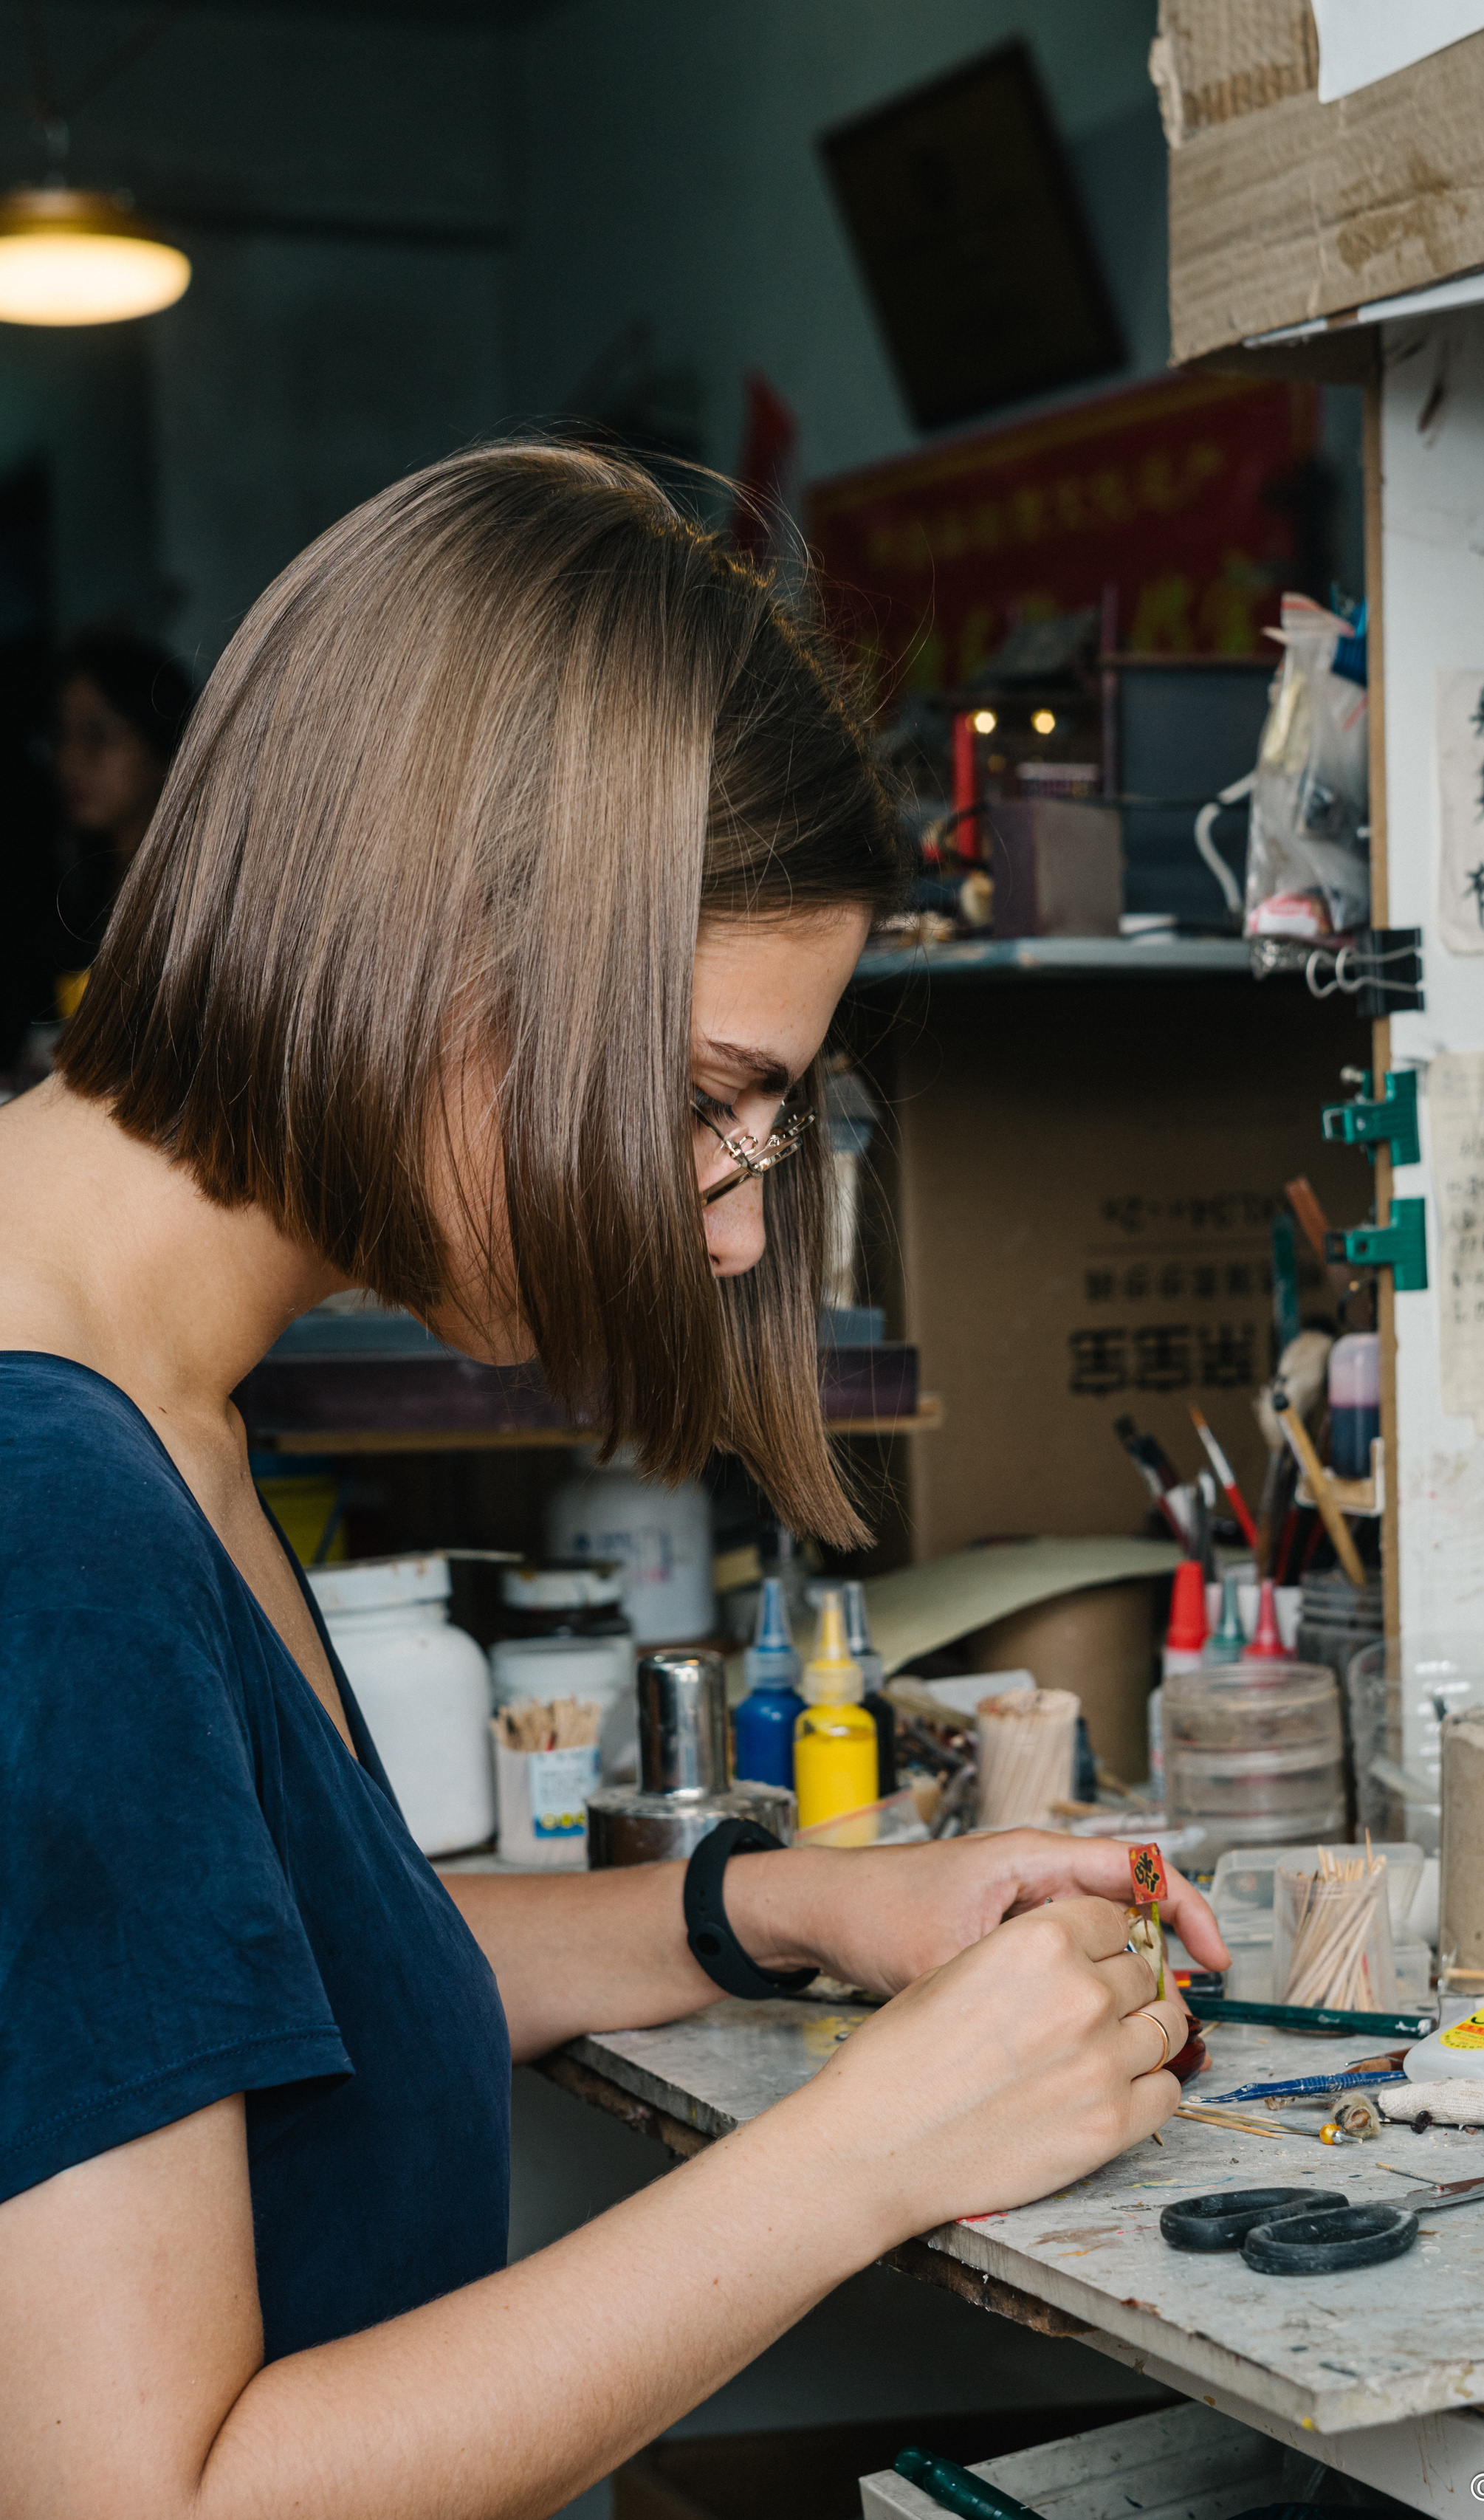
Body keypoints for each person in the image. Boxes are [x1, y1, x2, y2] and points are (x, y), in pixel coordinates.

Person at [0, 444, 1228, 2518]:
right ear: (433, 942)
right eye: (700, 1100)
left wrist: (793, 1905)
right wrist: (871, 2151)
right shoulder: (50, 1507)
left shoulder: (141, 1375)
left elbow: (258, 1997)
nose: (733, 1235)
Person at [50, 625, 194, 992]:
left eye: (97, 735)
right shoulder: (83, 883)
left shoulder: (190, 897)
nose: (69, 760)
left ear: (163, 747)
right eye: (62, 737)